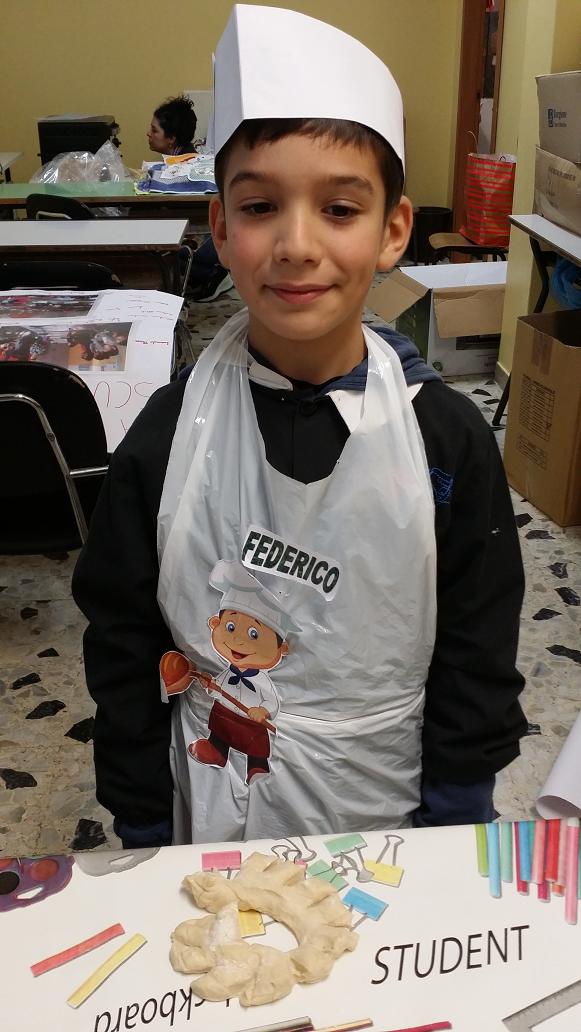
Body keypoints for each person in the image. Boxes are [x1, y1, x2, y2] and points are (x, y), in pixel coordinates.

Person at [73, 4, 526, 849]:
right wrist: (140, 812)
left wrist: (458, 807)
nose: (295, 244)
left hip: (387, 804)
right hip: (207, 799)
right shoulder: (169, 433)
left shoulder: (444, 440)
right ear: (219, 228)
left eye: (340, 209)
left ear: (394, 231)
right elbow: (122, 636)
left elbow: (478, 643)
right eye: (258, 206)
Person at [148, 94, 233, 302]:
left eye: (154, 130)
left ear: (171, 139)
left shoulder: (183, 173)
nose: (148, 134)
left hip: (201, 245)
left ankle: (211, 273)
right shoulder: (181, 163)